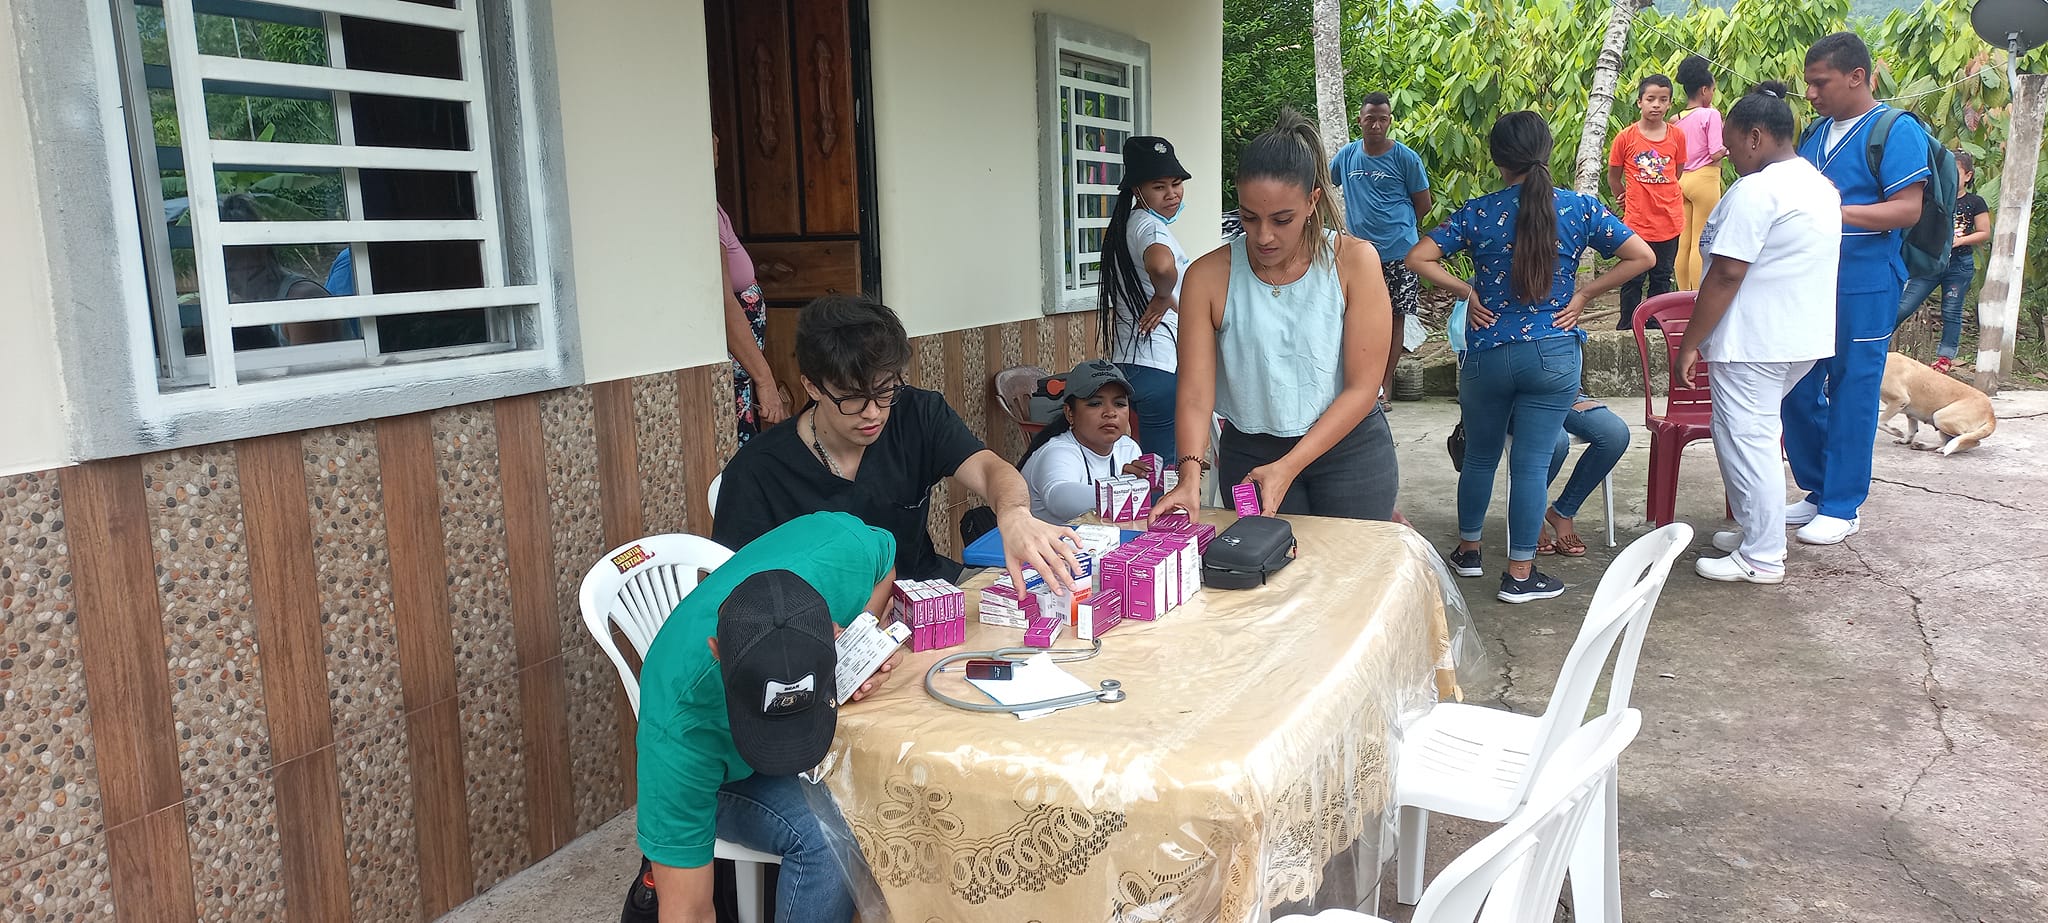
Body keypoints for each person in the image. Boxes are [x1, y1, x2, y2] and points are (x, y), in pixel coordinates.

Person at [1409, 111, 1653, 603]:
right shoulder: (1580, 209)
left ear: (1498, 159)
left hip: (1487, 352)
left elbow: (1418, 257)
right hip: (1553, 353)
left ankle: (1469, 553)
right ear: (1546, 151)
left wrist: (1467, 292)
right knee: (1531, 464)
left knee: (1480, 457)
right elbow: (1643, 256)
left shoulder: (1479, 211)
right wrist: (1583, 295)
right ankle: (1520, 575)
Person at [713, 294, 1082, 592]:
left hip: (927, 590)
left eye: (885, 390)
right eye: (853, 398)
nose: (873, 413)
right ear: (812, 386)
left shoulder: (917, 413)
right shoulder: (757, 471)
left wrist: (1014, 513)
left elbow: (988, 469)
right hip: (825, 628)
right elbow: (737, 593)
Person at [632, 512, 899, 923]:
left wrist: (858, 649)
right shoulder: (680, 728)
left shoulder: (844, 552)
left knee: (892, 792)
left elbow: (886, 566)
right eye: (765, 724)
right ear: (717, 651)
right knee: (826, 838)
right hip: (722, 775)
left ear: (831, 630)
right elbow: (688, 912)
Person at [1149, 109, 1398, 523]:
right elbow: (1194, 393)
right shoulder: (1207, 277)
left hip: (1350, 450)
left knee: (1349, 562)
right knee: (1262, 563)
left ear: (1312, 202)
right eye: (1249, 217)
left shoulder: (1354, 261)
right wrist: (1189, 477)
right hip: (1250, 451)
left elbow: (1362, 387)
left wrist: (1289, 465)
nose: (1263, 236)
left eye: (1282, 220)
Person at [1676, 82, 1842, 584]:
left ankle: (1763, 556)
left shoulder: (1759, 189)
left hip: (1754, 341)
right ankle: (1755, 533)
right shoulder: (1818, 185)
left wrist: (1690, 342)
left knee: (1748, 442)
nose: (1727, 155)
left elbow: (1727, 272)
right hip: (1798, 338)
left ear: (1755, 136)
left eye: (1730, 143)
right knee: (1746, 436)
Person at [1787, 31, 1933, 545]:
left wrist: (1834, 211)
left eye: (1820, 82)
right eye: (1808, 84)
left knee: (1853, 389)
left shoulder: (1894, 130)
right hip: (1810, 282)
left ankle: (1843, 504)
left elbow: (1907, 209)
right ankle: (1817, 489)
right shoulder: (1815, 134)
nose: (1811, 94)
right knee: (1797, 386)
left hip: (1864, 283)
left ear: (1856, 77)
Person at [1330, 91, 1434, 411]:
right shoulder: (1347, 156)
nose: (1376, 125)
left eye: (1382, 119)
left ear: (1389, 121)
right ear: (1359, 121)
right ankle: (1357, 385)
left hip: (1399, 253)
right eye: (1370, 119)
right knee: (1354, 318)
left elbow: (1424, 204)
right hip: (1359, 255)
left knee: (1394, 318)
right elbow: (1327, 182)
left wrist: (1400, 231)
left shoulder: (1406, 158)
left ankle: (1383, 387)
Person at [1098, 136, 1193, 460]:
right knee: (1164, 469)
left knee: (1143, 464)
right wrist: (1163, 297)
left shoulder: (1125, 225)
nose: (1172, 194)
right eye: (1159, 187)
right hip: (1160, 364)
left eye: (1176, 184)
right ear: (1137, 190)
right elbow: (1162, 266)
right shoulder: (1150, 228)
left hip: (1128, 364)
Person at [716, 134, 790, 445]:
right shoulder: (704, 213)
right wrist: (765, 380)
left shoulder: (713, 208)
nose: (716, 140)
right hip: (737, 373)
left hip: (742, 373)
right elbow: (723, 300)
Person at [1894, 150, 1989, 374]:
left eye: (1956, 172)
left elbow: (1984, 232)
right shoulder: (1934, 197)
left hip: (1959, 265)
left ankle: (1945, 358)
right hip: (1930, 261)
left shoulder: (1975, 202)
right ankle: (1878, 340)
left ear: (1968, 176)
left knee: (1952, 310)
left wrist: (1960, 240)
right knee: (1904, 305)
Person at [1018, 360, 1147, 523]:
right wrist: (1121, 489)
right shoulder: (1057, 451)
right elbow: (1059, 499)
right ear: (1070, 413)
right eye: (1095, 404)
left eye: (1119, 404)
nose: (1110, 412)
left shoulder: (1128, 448)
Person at [1609, 74, 1687, 329]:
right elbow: (1614, 176)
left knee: (1662, 276)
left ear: (1670, 103)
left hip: (1669, 220)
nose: (1656, 105)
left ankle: (1656, 327)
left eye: (1663, 100)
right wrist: (1623, 197)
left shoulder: (1677, 136)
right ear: (1639, 102)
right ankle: (1628, 325)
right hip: (1637, 222)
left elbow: (1677, 173)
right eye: (1651, 99)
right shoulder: (1625, 138)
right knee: (1632, 276)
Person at [1537, 397, 1632, 557]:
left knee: (1615, 434)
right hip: (1522, 398)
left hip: (1564, 394)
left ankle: (1563, 512)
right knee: (1556, 443)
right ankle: (1530, 512)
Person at [1673, 56, 1727, 291]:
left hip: (1682, 180)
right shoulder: (1710, 114)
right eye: (1712, 90)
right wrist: (1729, 147)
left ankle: (1683, 291)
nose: (1713, 94)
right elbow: (1715, 152)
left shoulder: (1675, 119)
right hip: (1705, 179)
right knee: (1700, 241)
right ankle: (1697, 293)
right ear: (1704, 90)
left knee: (1684, 242)